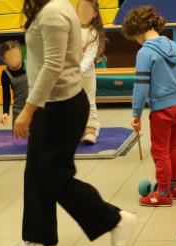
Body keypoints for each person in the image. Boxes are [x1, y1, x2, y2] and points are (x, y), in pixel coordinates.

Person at [9, 0, 137, 246]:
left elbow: (53, 65)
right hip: (51, 104)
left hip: (61, 106)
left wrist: (28, 110)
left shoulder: (55, 11)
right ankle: (39, 240)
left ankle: (115, 220)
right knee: (35, 173)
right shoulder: (50, 8)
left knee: (56, 177)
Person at [122, 6, 176, 207]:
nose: (135, 41)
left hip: (163, 110)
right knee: (173, 146)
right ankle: (174, 187)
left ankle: (164, 193)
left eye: (134, 37)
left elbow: (141, 86)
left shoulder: (145, 53)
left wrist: (136, 113)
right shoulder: (172, 44)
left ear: (137, 31)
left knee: (160, 151)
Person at [77, 0, 105, 144]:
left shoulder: (93, 33)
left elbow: (89, 56)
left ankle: (91, 129)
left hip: (86, 75)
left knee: (89, 101)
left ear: (94, 14)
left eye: (88, 10)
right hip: (68, 74)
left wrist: (78, 71)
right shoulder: (71, 28)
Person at [0, 40, 28, 129]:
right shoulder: (6, 74)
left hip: (34, 108)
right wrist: (5, 112)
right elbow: (6, 94)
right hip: (18, 110)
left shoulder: (29, 65)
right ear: (3, 59)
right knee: (19, 136)